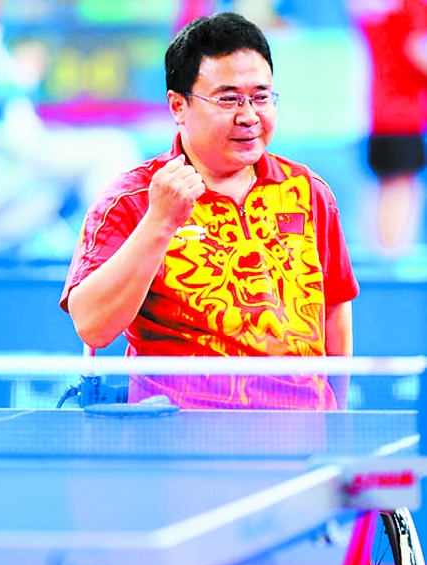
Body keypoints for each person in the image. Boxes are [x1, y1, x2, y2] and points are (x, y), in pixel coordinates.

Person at [60, 12, 359, 410]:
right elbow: (92, 326)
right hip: (181, 436)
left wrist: (336, 422)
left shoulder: (308, 191)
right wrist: (160, 222)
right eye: (228, 99)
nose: (249, 116)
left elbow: (334, 312)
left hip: (300, 429)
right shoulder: (132, 198)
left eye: (261, 97)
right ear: (178, 106)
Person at [348, 0, 427, 257]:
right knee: (401, 187)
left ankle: (377, 255)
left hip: (377, 112)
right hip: (404, 115)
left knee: (382, 187)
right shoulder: (411, 8)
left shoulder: (374, 11)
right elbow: (418, 52)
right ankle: (392, 259)